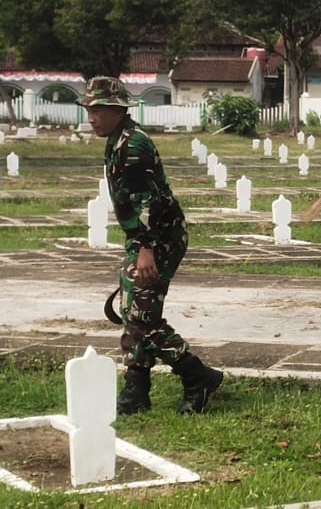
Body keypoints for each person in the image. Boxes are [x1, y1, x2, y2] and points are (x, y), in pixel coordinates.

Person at [83, 76, 223, 415]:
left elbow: (149, 202)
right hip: (144, 237)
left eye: (98, 109)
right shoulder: (117, 139)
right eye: (89, 109)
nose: (91, 117)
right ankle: (137, 388)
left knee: (143, 316)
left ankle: (196, 375)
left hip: (160, 238)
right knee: (135, 310)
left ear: (117, 109)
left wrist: (145, 248)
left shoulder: (133, 146)